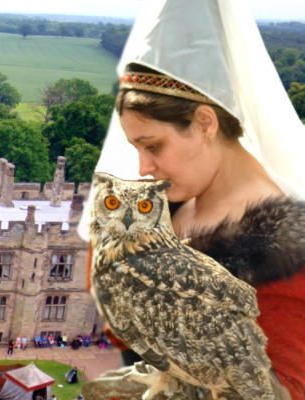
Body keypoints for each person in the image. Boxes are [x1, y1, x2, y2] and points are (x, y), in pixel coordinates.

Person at [80, 1, 305, 398]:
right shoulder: (162, 207)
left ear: (205, 123)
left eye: (153, 146)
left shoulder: (286, 255)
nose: (143, 167)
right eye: (135, 147)